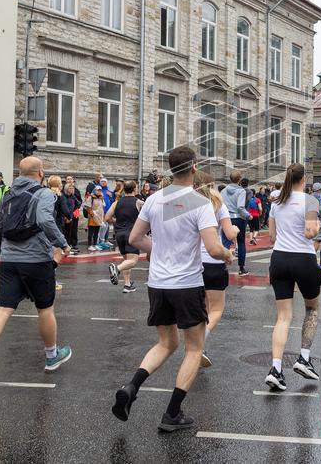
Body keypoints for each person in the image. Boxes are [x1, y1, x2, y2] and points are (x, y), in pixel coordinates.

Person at [109, 146, 232, 432]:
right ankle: (172, 413)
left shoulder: (154, 199)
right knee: (193, 348)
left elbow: (135, 237)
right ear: (193, 168)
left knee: (166, 343)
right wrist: (226, 255)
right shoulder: (199, 203)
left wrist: (160, 249)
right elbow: (213, 249)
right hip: (186, 284)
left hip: (157, 283)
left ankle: (131, 387)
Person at [0, 157, 73, 387]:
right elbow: (45, 219)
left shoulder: (8, 193)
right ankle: (52, 355)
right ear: (41, 173)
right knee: (45, 309)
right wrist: (63, 244)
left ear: (19, 172)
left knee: (4, 307)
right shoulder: (43, 193)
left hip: (9, 260)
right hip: (36, 259)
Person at [264, 163, 321, 391]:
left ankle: (276, 369)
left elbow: (271, 236)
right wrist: (317, 226)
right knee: (312, 309)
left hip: (279, 258)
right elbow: (310, 233)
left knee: (282, 317)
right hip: (302, 258)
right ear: (305, 178)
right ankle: (304, 358)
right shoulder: (310, 201)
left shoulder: (277, 201)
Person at [192, 171, 237, 367]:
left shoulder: (189, 205)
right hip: (214, 260)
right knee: (216, 309)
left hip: (193, 262)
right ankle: (198, 345)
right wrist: (234, 230)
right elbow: (229, 232)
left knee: (202, 308)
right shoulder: (219, 206)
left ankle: (197, 346)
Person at [106, 180, 144, 293]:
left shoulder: (116, 203)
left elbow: (107, 218)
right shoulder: (139, 202)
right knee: (132, 261)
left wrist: (116, 222)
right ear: (134, 189)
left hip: (119, 234)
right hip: (131, 234)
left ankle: (127, 285)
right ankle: (116, 269)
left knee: (126, 260)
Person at [221, 171, 250, 275]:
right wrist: (248, 215)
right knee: (241, 242)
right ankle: (241, 268)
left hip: (226, 217)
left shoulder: (223, 191)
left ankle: (222, 265)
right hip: (238, 218)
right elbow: (240, 207)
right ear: (239, 179)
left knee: (225, 242)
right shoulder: (241, 191)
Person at [63, 175, 82, 252]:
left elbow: (79, 201)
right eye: (68, 179)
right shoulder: (63, 191)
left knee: (74, 229)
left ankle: (73, 244)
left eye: (71, 179)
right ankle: (66, 244)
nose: (70, 180)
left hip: (74, 212)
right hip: (66, 214)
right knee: (66, 230)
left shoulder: (76, 191)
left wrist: (76, 208)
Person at [84, 186, 104, 251]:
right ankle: (90, 245)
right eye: (97, 190)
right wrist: (92, 214)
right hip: (92, 217)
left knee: (96, 232)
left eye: (100, 190)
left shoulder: (101, 198)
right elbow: (88, 207)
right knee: (91, 233)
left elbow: (102, 207)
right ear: (95, 190)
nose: (99, 191)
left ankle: (95, 244)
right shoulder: (91, 197)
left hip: (99, 217)